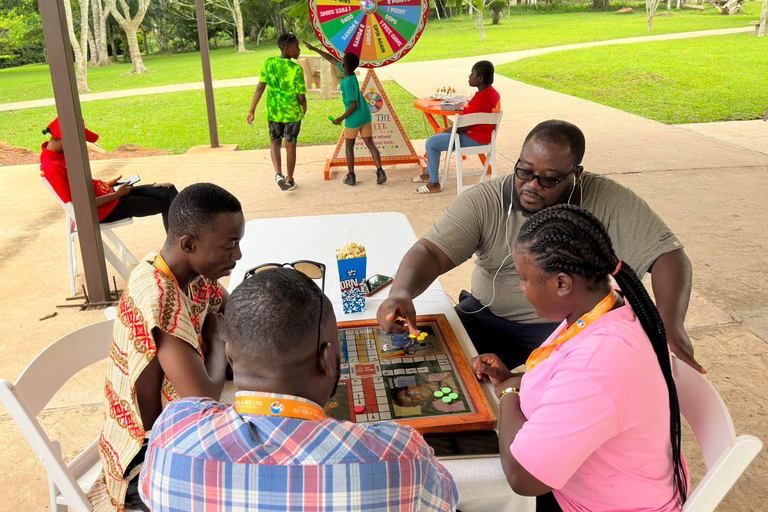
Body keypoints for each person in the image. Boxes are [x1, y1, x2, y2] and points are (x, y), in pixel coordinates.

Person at [377, 120, 704, 374]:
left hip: (569, 328)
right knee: (418, 365)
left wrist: (669, 324)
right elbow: (432, 252)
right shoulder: (485, 200)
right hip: (487, 315)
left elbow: (668, 255)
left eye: (549, 178)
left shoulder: (606, 199)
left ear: (575, 175)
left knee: (561, 395)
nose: (532, 185)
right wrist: (401, 293)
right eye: (525, 170)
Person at [139, 268, 459, 512]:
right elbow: (446, 500)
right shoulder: (401, 456)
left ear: (231, 358)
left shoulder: (172, 434)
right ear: (327, 360)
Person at [472, 204, 688, 512]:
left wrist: (508, 392)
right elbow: (568, 379)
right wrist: (521, 379)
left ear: (561, 283)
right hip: (612, 483)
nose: (521, 288)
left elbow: (524, 478)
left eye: (524, 279)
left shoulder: (598, 363)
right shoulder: (606, 307)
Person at [87, 183, 244, 512]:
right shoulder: (159, 295)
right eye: (230, 245)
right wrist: (216, 337)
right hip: (145, 462)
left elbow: (234, 313)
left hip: (176, 432)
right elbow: (201, 397)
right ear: (189, 243)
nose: (238, 255)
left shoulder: (190, 273)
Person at [40, 117, 178, 231]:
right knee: (169, 203)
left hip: (109, 196)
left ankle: (184, 246)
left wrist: (106, 185)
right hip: (104, 210)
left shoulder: (59, 155)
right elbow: (80, 204)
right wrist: (116, 195)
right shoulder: (53, 167)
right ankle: (177, 252)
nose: (83, 143)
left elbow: (81, 187)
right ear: (66, 138)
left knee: (168, 189)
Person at [304, 41, 387, 186]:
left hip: (354, 117)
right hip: (365, 114)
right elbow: (331, 58)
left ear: (343, 66)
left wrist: (340, 119)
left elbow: (353, 105)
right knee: (370, 143)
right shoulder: (349, 73)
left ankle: (351, 175)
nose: (338, 61)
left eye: (341, 61)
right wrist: (314, 49)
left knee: (349, 146)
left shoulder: (347, 82)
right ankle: (380, 171)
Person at [412, 60, 501, 194]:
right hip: (485, 137)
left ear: (480, 78)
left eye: (472, 74)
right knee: (439, 136)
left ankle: (434, 183)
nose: (469, 77)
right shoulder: (494, 94)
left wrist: (445, 131)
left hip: (472, 138)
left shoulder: (480, 98)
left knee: (432, 142)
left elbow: (461, 126)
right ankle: (428, 174)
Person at [246, 33, 307, 192]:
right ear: (287, 49)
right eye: (296, 47)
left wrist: (252, 110)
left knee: (275, 142)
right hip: (291, 113)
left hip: (273, 112)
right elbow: (301, 95)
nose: (299, 50)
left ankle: (278, 174)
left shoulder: (269, 63)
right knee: (290, 145)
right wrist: (304, 105)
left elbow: (260, 87)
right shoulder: (296, 69)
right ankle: (290, 179)